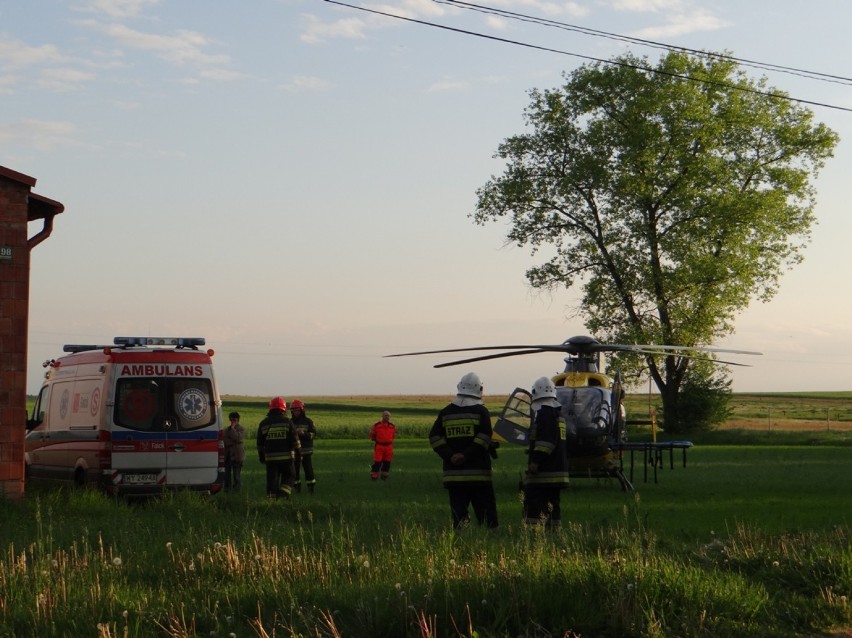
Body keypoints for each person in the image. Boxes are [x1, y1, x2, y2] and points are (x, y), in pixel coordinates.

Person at [429, 372, 498, 530]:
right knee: (487, 514)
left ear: (459, 388)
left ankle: (462, 539)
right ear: (479, 389)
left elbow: (434, 437)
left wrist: (450, 455)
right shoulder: (481, 411)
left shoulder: (446, 412)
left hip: (453, 475)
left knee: (459, 514)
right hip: (478, 474)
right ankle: (490, 540)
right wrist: (466, 454)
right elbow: (484, 436)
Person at [523, 377, 570, 527]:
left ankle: (532, 532)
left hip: (545, 471)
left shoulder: (545, 413)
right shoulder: (558, 413)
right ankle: (554, 531)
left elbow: (546, 442)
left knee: (534, 501)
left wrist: (535, 461)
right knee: (553, 503)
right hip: (557, 470)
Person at [256, 396, 301, 499]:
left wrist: (261, 457)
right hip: (287, 458)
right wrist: (299, 453)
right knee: (290, 476)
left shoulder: (263, 423)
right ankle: (282, 495)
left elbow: (259, 443)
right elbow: (295, 440)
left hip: (270, 459)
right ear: (283, 409)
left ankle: (271, 500)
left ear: (270, 408)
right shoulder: (287, 422)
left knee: (272, 480)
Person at [291, 399, 317, 494]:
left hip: (306, 451)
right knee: (295, 471)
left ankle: (311, 489)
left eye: (297, 410)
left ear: (302, 410)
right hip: (294, 451)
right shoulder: (290, 422)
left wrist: (304, 434)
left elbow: (313, 434)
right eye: (293, 410)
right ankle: (297, 489)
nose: (295, 412)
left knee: (308, 470)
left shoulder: (308, 421)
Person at [369, 410, 397, 480]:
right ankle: (374, 476)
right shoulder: (376, 425)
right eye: (385, 415)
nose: (387, 417)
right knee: (377, 461)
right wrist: (376, 440)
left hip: (389, 447)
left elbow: (393, 436)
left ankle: (384, 476)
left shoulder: (392, 426)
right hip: (379, 446)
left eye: (388, 416)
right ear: (382, 416)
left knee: (387, 462)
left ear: (390, 417)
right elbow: (372, 435)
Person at [223, 411, 246, 491]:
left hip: (237, 456)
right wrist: (234, 442)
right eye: (231, 420)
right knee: (227, 475)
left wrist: (232, 429)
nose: (233, 421)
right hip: (228, 456)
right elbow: (225, 440)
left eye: (234, 420)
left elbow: (238, 438)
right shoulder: (226, 430)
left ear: (238, 420)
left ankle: (236, 490)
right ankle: (227, 490)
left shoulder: (242, 429)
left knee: (236, 475)